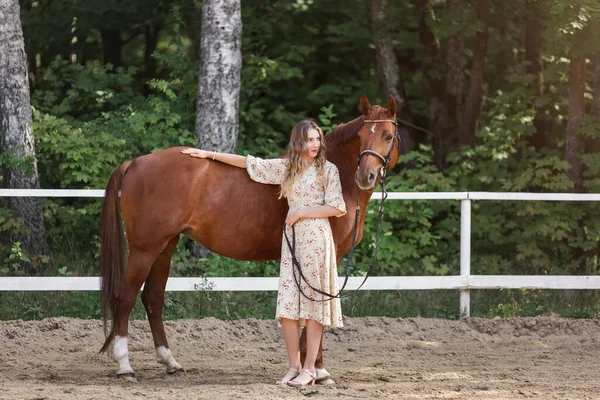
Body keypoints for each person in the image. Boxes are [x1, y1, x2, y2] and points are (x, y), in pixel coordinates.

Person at [181, 119, 346, 387]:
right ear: (298, 142)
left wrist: (302, 211)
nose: (315, 144)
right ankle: (293, 366)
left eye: (318, 139)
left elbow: (338, 207)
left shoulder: (327, 170)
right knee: (289, 309)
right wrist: (207, 155)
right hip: (293, 241)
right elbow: (249, 164)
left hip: (317, 239)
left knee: (315, 307)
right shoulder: (287, 169)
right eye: (309, 140)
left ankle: (310, 369)